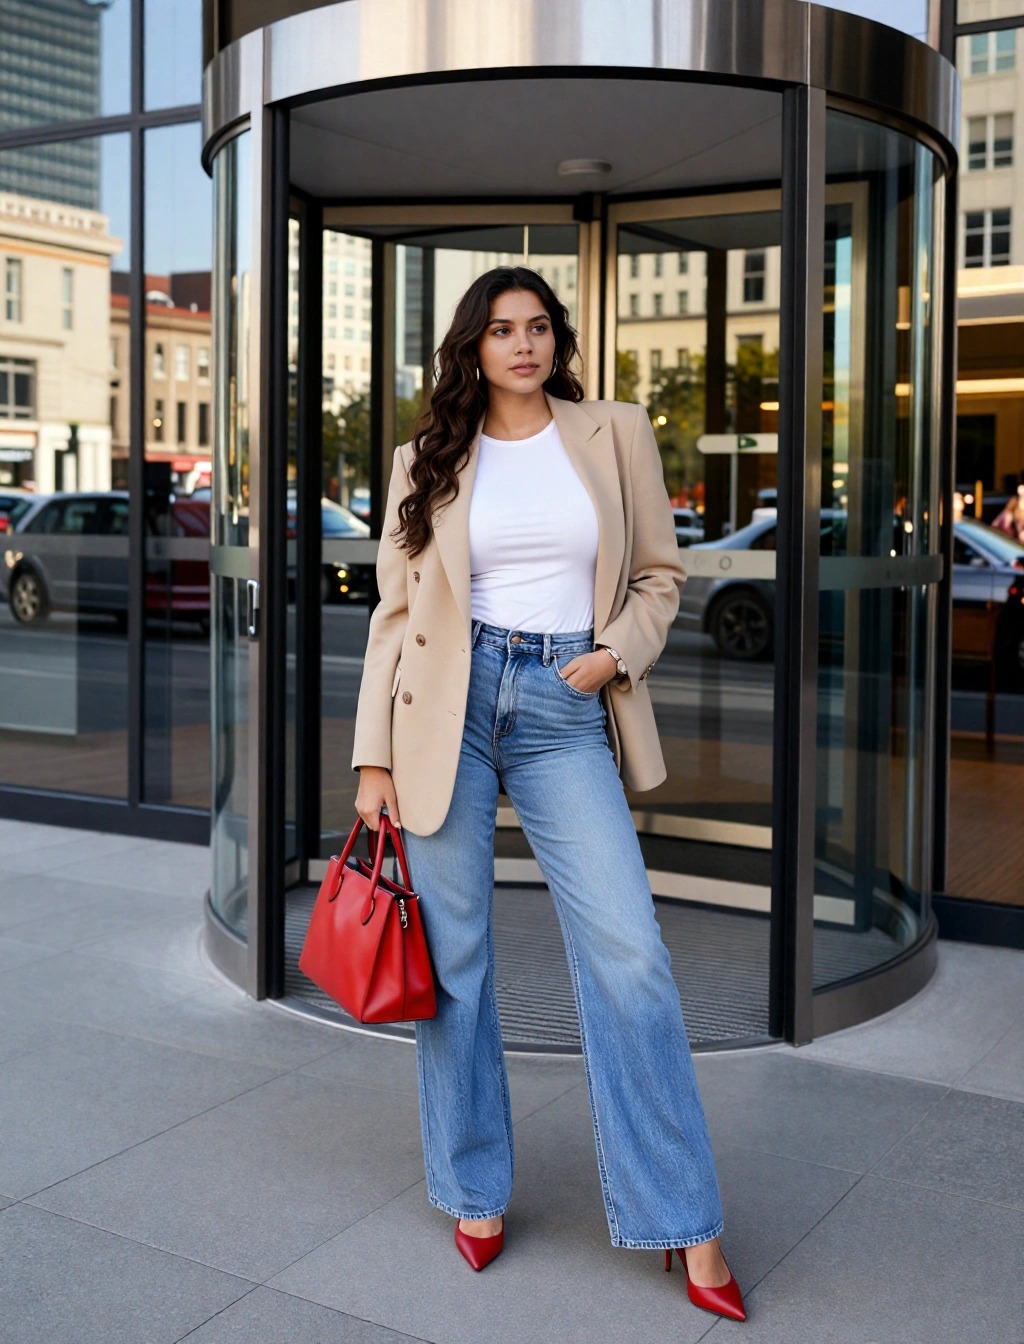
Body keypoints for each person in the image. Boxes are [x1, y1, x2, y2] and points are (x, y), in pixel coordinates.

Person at [352, 266, 745, 1323]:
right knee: (457, 960)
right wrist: (373, 759)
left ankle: (685, 1217)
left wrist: (614, 655)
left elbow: (660, 574)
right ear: (472, 347)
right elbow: (396, 615)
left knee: (631, 957)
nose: (520, 344)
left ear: (555, 340)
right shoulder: (425, 459)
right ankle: (472, 1188)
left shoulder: (615, 432)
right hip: (446, 707)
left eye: (535, 327)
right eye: (499, 329)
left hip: (566, 699)